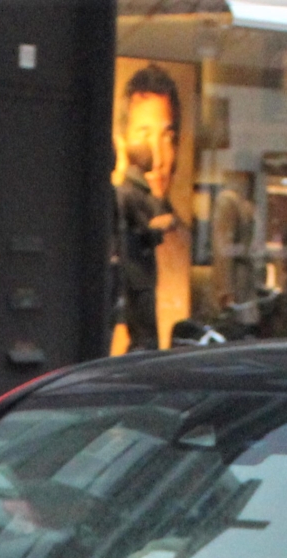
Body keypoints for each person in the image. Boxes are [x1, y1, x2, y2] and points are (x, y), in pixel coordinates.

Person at [113, 67, 180, 353]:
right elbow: (143, 230)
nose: (157, 152)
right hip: (136, 274)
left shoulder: (137, 194)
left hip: (138, 273)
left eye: (167, 137)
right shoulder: (129, 193)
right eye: (143, 133)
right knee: (144, 335)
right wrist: (160, 225)